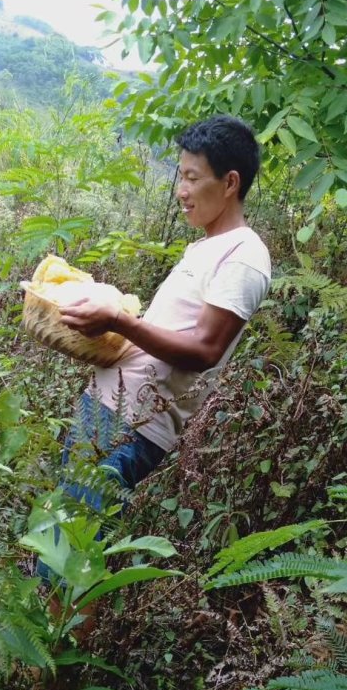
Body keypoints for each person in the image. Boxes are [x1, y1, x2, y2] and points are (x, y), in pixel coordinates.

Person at [52, 114, 272, 529]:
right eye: (180, 177)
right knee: (59, 546)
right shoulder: (208, 246)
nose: (181, 191)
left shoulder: (244, 256)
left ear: (230, 183)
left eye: (192, 178)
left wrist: (118, 322)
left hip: (131, 425)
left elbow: (206, 351)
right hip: (105, 409)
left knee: (71, 556)